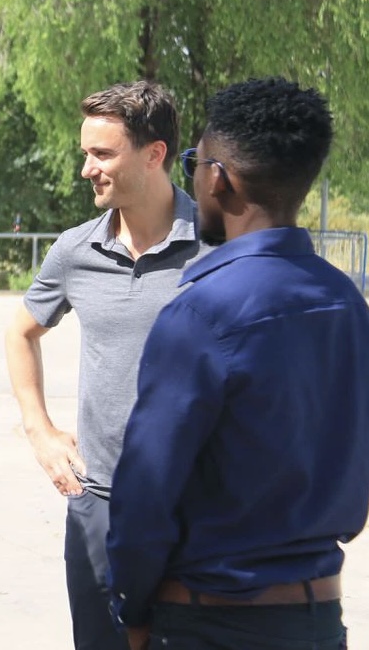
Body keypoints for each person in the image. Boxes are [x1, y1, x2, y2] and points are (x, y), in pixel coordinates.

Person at [107, 78, 369, 650]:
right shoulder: (346, 303)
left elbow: (145, 494)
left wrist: (131, 608)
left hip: (211, 621)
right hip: (318, 620)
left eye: (194, 162)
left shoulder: (201, 313)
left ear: (218, 178)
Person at [4, 81, 208, 650]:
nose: (86, 169)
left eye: (102, 154)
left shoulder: (219, 247)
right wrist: (39, 430)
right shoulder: (75, 250)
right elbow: (20, 332)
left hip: (199, 510)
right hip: (99, 506)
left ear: (154, 153)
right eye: (85, 153)